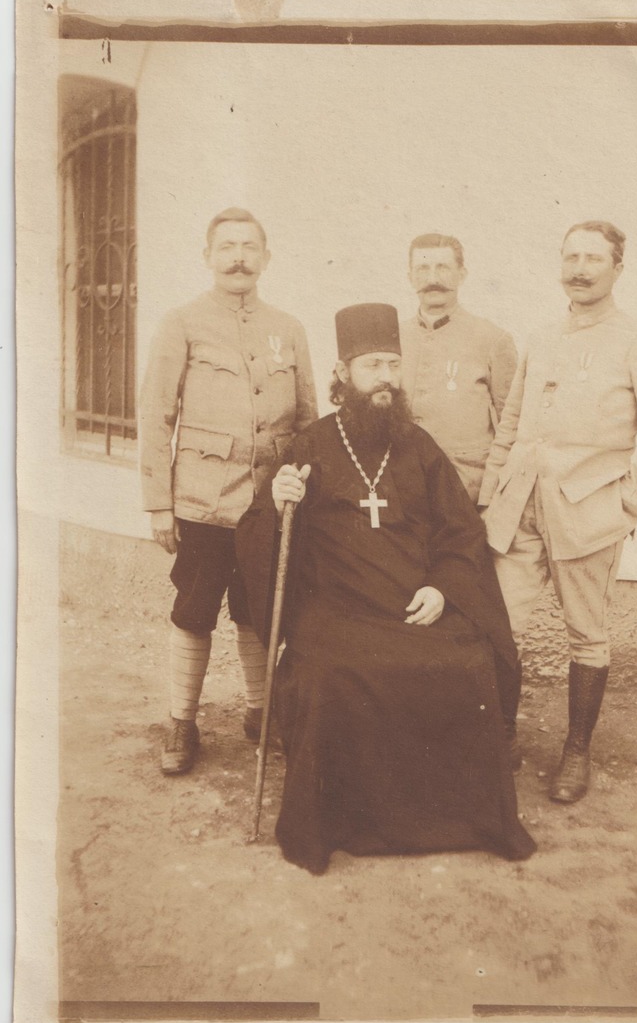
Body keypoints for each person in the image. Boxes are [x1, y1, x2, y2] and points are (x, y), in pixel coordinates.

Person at [235, 303, 536, 875]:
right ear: (344, 374)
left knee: (466, 662)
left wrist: (445, 589)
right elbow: (261, 538)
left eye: (394, 366)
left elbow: (461, 532)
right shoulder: (311, 445)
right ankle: (336, 823)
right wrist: (280, 505)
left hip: (412, 603)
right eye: (373, 365)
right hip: (337, 611)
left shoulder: (418, 447)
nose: (386, 379)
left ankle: (461, 821)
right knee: (329, 675)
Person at [479, 221, 637, 804]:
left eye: (594, 259)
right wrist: (492, 497)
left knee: (587, 636)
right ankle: (499, 739)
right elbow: (510, 425)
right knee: (498, 626)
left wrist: (625, 500)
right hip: (520, 510)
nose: (580, 268)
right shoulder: (542, 336)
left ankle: (576, 752)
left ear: (617, 269)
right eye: (571, 257)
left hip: (588, 517)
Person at [139, 207, 318, 775]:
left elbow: (309, 420)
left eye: (249, 247)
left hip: (270, 504)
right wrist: (159, 503)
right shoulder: (182, 323)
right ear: (208, 257)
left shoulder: (287, 329)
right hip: (201, 501)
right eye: (227, 247)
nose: (238, 257)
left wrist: (302, 493)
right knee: (194, 609)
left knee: (259, 609)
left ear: (266, 258)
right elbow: (156, 415)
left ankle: (260, 713)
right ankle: (181, 722)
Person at [399, 233, 519, 503]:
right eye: (423, 269)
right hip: (404, 489)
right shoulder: (394, 337)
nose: (433, 279)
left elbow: (512, 427)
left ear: (462, 274)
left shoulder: (492, 339)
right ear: (410, 277)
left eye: (443, 267)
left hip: (466, 490)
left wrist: (492, 496)